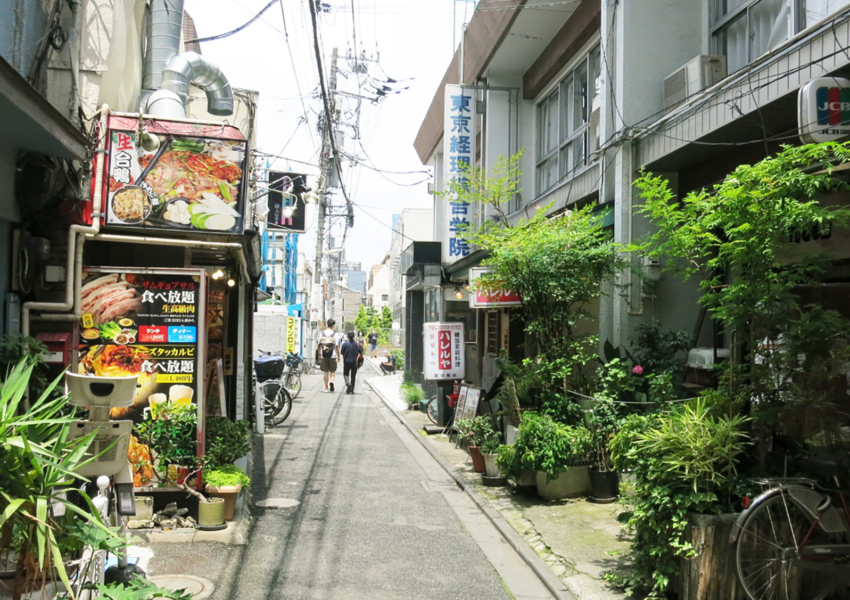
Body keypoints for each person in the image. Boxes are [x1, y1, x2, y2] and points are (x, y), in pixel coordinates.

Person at [317, 318, 339, 393]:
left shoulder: (322, 333)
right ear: (333, 325)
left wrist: (319, 354)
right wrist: (338, 356)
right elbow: (337, 346)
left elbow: (319, 345)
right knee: (333, 371)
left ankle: (326, 388)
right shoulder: (335, 334)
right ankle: (331, 381)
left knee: (325, 372)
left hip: (324, 355)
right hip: (332, 355)